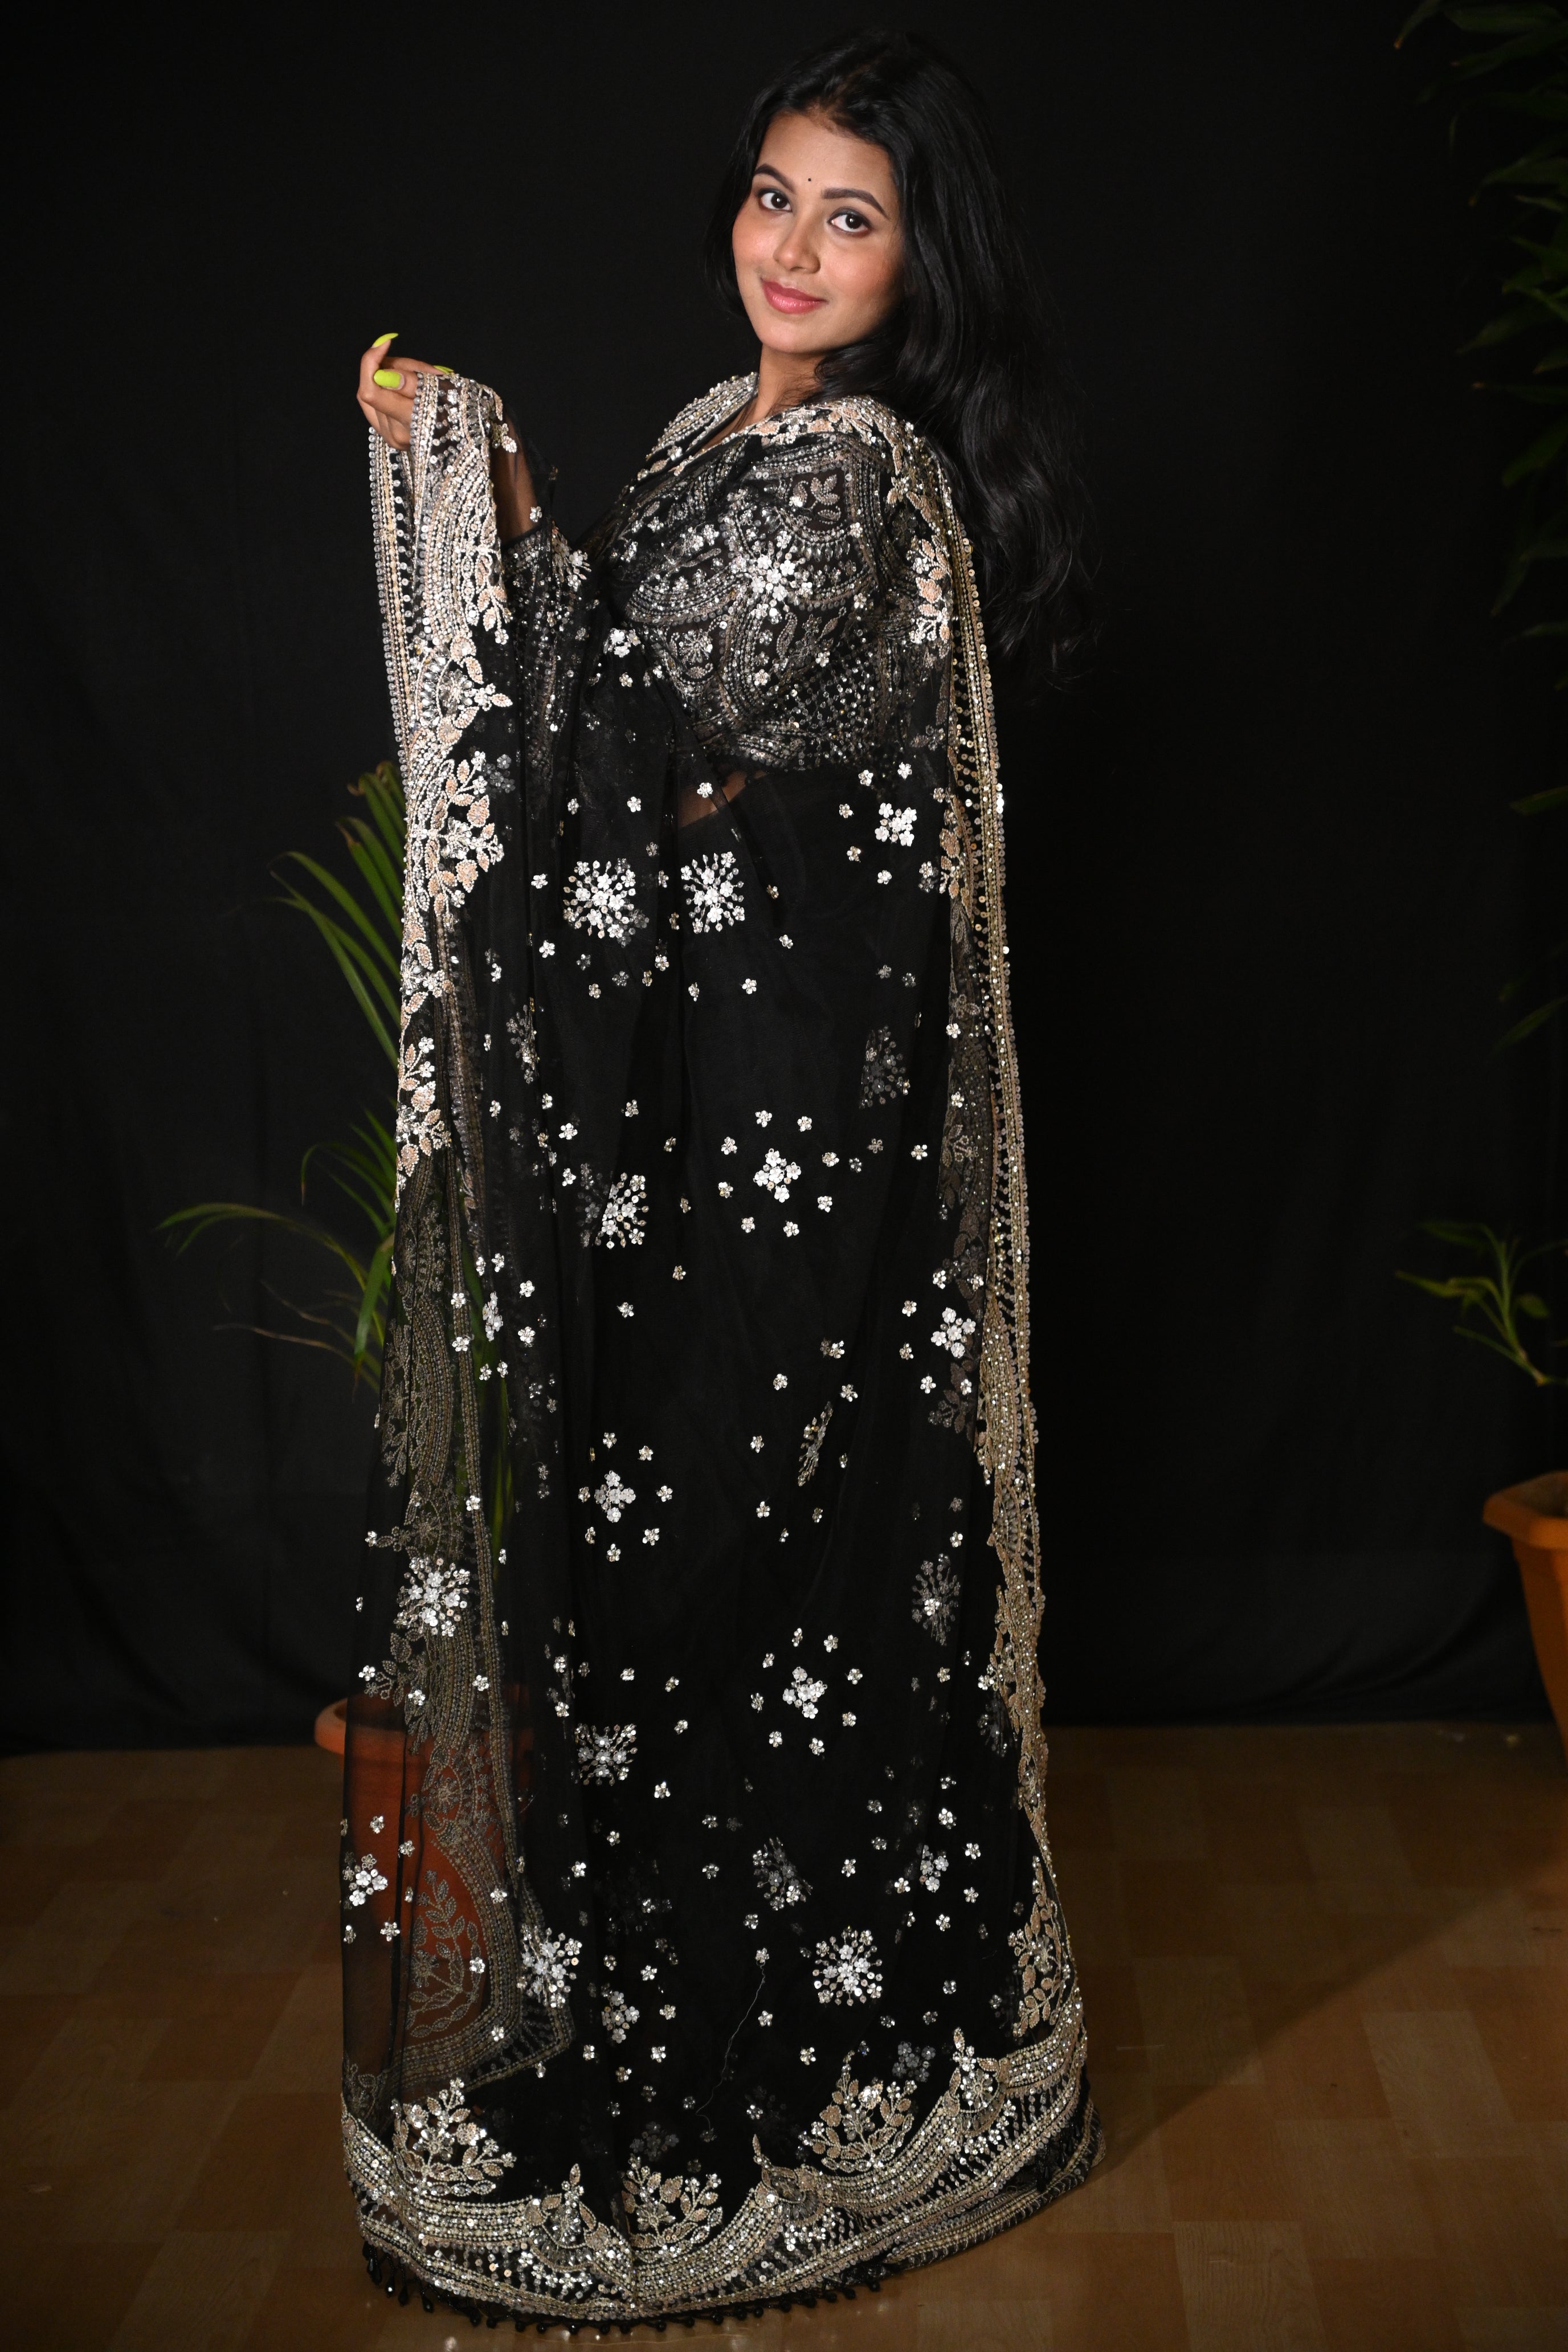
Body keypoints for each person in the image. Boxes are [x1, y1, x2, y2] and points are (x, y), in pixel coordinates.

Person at [341, 28, 1099, 2329]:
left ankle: (832, 2074)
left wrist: (469, 474)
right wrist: (508, 493)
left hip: (775, 1177)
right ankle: (712, 2019)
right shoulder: (716, 438)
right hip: (692, 1154)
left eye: (850, 216)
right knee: (669, 1596)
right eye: (775, 196)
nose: (794, 246)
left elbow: (635, 733)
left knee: (745, 1587)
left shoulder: (855, 480)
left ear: (918, 262)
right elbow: (639, 732)